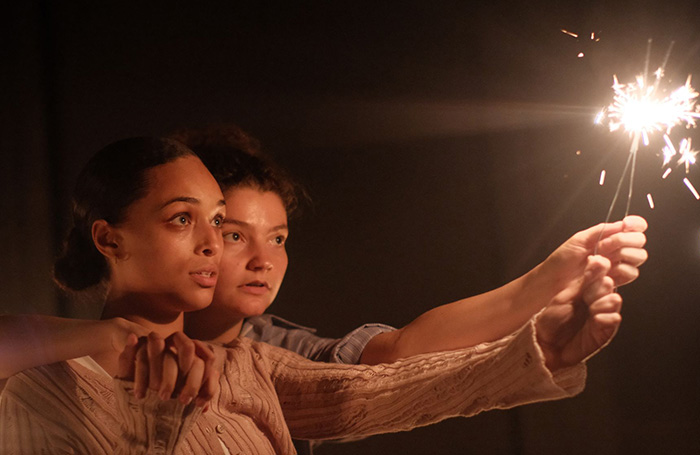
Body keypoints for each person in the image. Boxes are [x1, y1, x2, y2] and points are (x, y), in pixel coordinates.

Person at [0, 136, 628, 454]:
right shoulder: (46, 385)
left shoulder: (252, 364)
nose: (214, 246)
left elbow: (385, 385)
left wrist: (539, 344)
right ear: (109, 239)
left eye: (216, 221)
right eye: (181, 219)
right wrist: (116, 341)